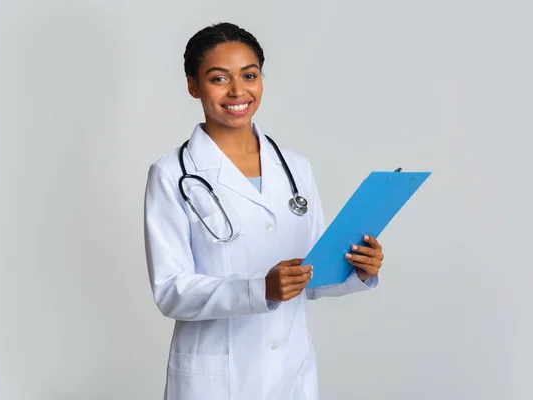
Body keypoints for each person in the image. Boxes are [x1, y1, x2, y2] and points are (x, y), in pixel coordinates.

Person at [144, 22, 385, 400]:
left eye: (249, 75)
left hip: (290, 372)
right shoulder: (171, 175)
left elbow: (312, 276)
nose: (238, 91)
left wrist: (357, 269)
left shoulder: (295, 167)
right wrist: (260, 289)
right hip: (216, 379)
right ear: (193, 85)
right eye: (219, 78)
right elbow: (172, 291)